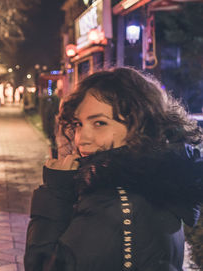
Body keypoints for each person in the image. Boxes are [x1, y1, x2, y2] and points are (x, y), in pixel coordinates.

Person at [24, 67, 203, 271]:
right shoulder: (158, 187)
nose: (81, 138)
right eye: (78, 124)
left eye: (100, 123)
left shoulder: (113, 204)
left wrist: (56, 192)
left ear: (141, 127)